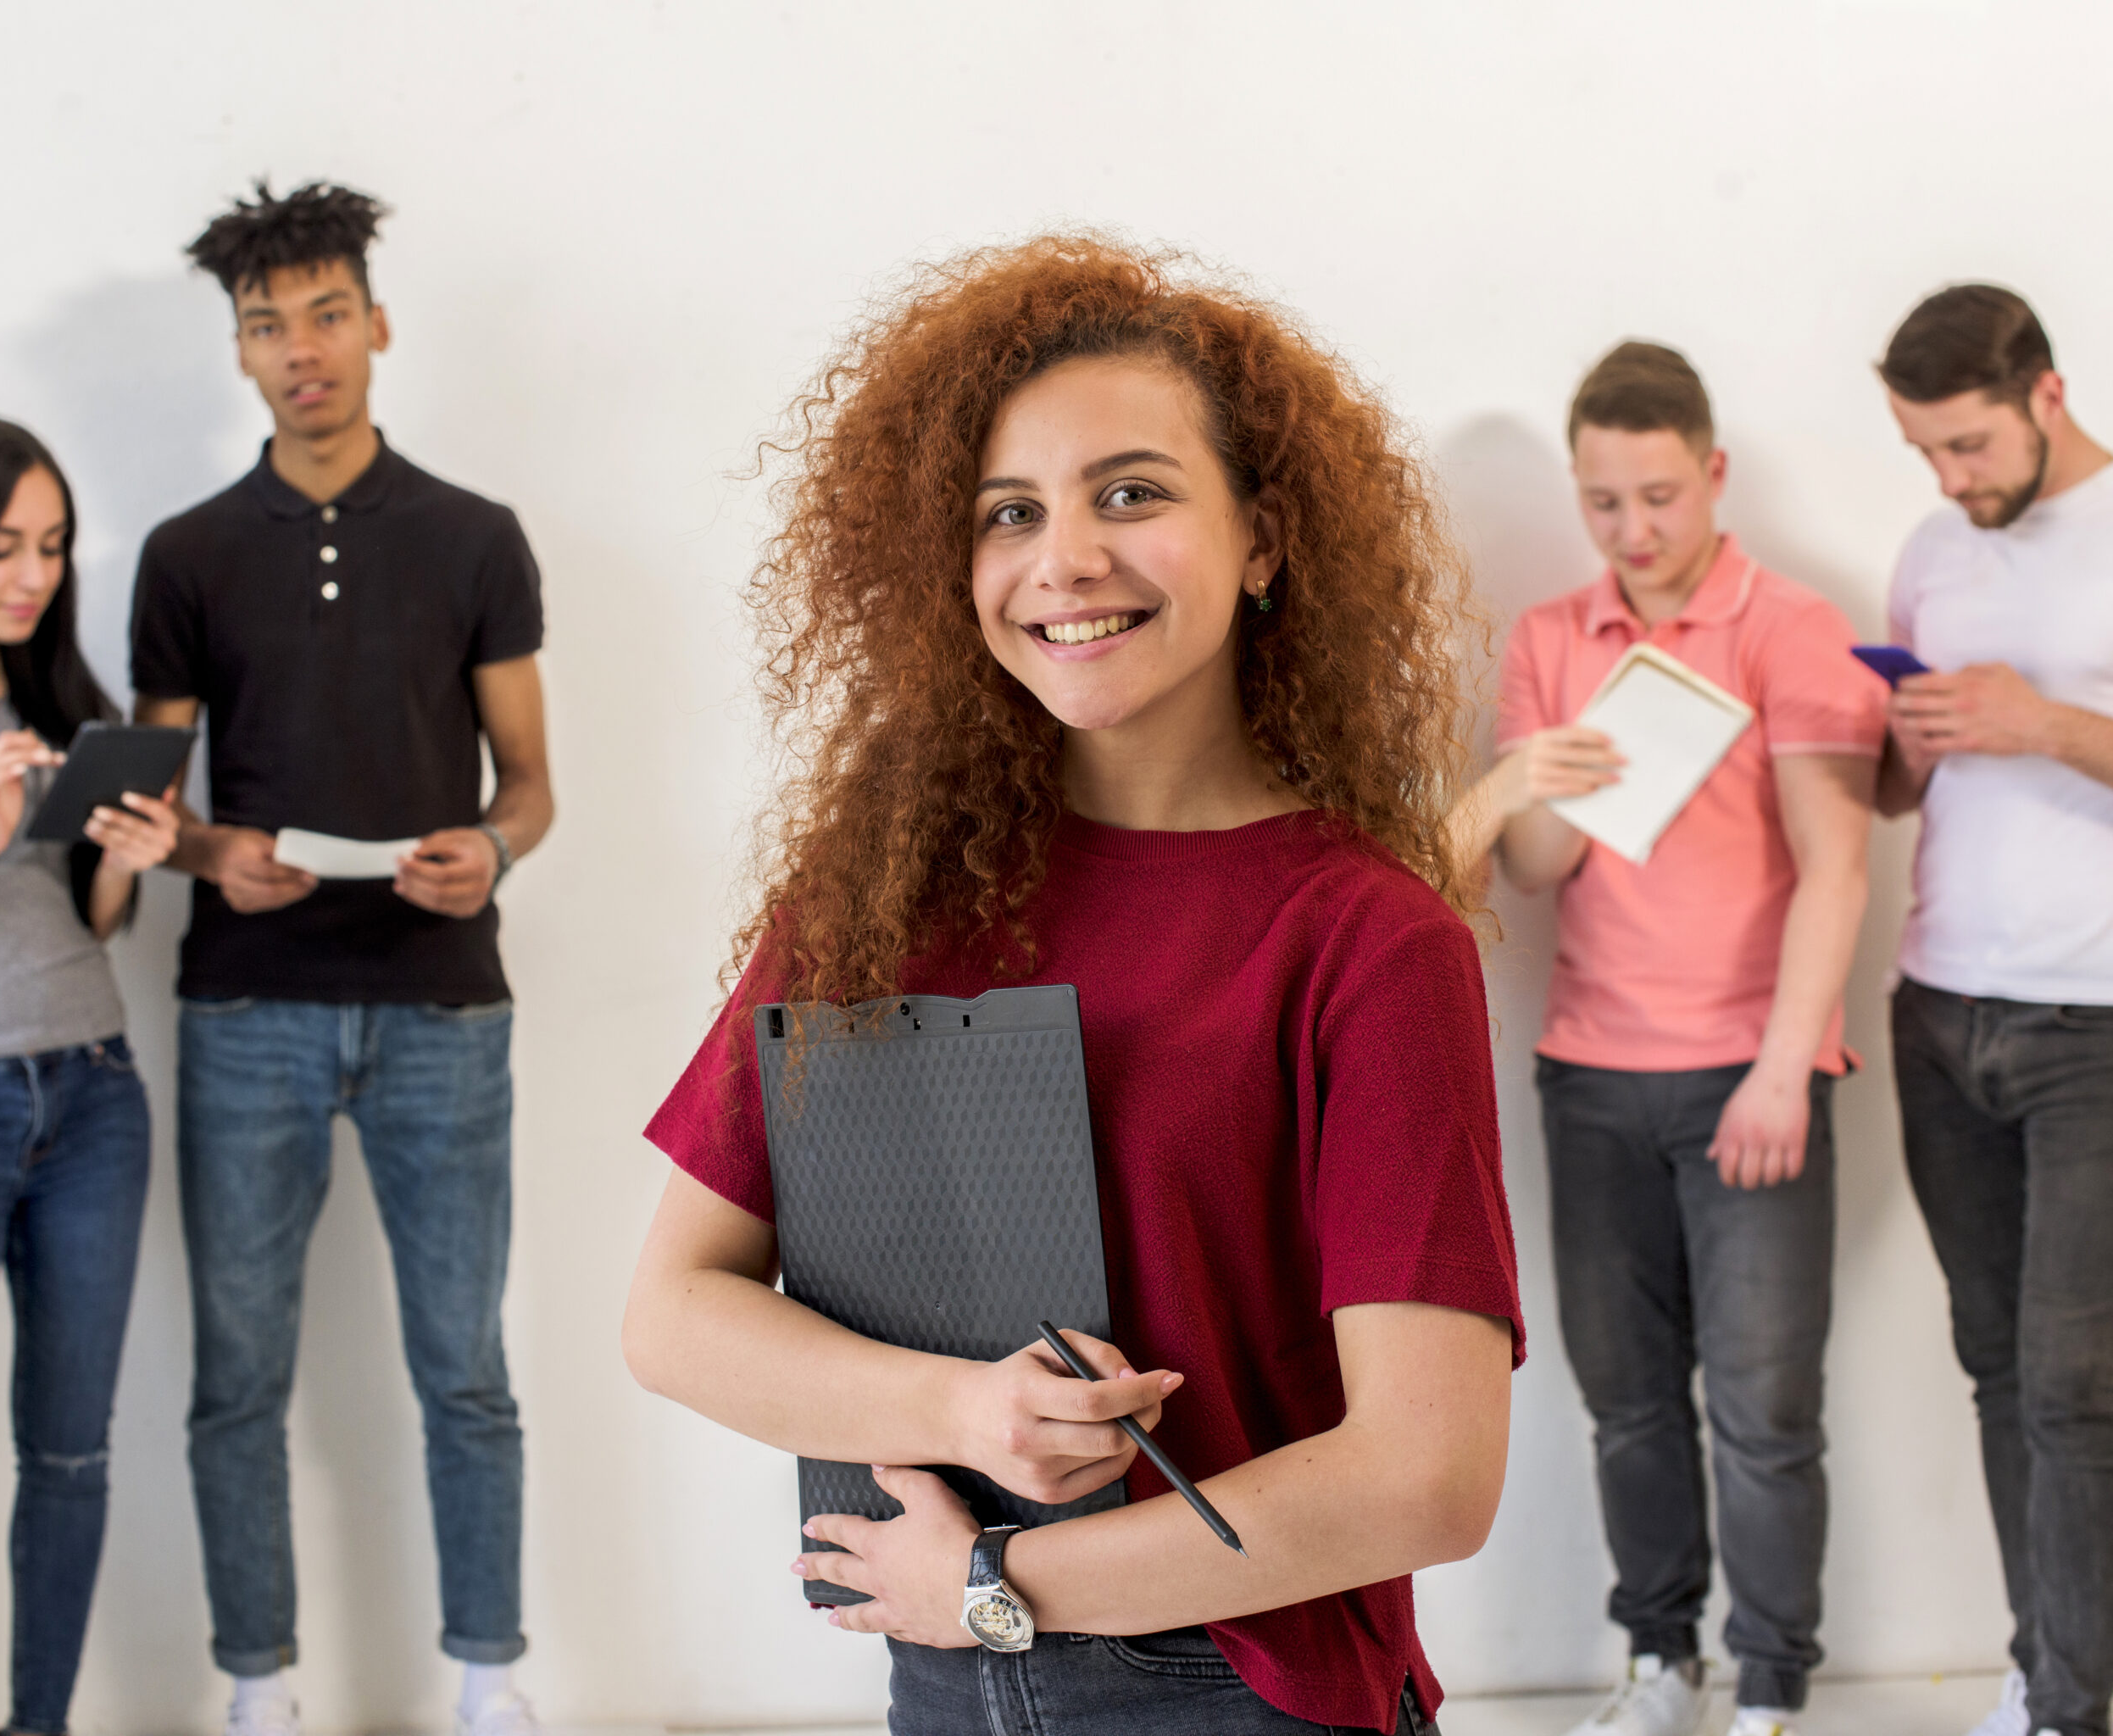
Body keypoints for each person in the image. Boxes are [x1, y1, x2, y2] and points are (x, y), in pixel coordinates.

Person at [621, 236, 1523, 1736]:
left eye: (1134, 492)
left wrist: (1009, 1583)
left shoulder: (1368, 940)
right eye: (1009, 513)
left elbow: (1428, 1478)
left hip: (1240, 1688)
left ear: (1265, 538)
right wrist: (965, 1420)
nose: (1067, 559)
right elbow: (674, 1315)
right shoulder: (877, 901)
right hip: (946, 1667)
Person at [128, 181, 554, 1736]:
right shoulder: (184, 556)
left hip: (444, 1007)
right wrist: (208, 852)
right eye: (264, 324)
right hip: (245, 1008)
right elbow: (146, 806)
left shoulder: (473, 538)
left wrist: (489, 854)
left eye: (324, 314)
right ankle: (261, 1688)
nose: (299, 348)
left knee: (467, 1369)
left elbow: (533, 787)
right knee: (238, 1379)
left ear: (375, 324)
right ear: (237, 353)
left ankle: (490, 1677)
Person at [1450, 343, 1886, 1736]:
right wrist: (1534, 776)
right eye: (1603, 505)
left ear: (1712, 473)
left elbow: (1838, 868)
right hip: (1590, 1080)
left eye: (1656, 495)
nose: (1634, 532)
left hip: (1751, 1079)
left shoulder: (1793, 629)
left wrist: (1782, 1065)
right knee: (1627, 1401)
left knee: (1764, 1412)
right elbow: (1526, 871)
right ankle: (1659, 1666)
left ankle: (1768, 1688)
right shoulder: (1550, 642)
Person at [1874, 284, 2113, 1736]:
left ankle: (2080, 1708)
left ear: (2045, 394)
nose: (1951, 485)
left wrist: (2049, 725)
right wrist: (1912, 747)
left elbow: (2037, 740)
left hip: (2096, 1023)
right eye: (1924, 456)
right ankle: (2050, 1676)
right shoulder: (1929, 553)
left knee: (2080, 1395)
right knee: (2000, 1370)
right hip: (1943, 1012)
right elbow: (1916, 791)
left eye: (1967, 447)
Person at [0, 417, 180, 1736]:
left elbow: (83, 927)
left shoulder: (58, 698)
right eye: (0, 547)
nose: (30, 575)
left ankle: (38, 1727)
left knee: (71, 1452)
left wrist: (122, 861)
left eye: (52, 548)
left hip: (91, 1093)